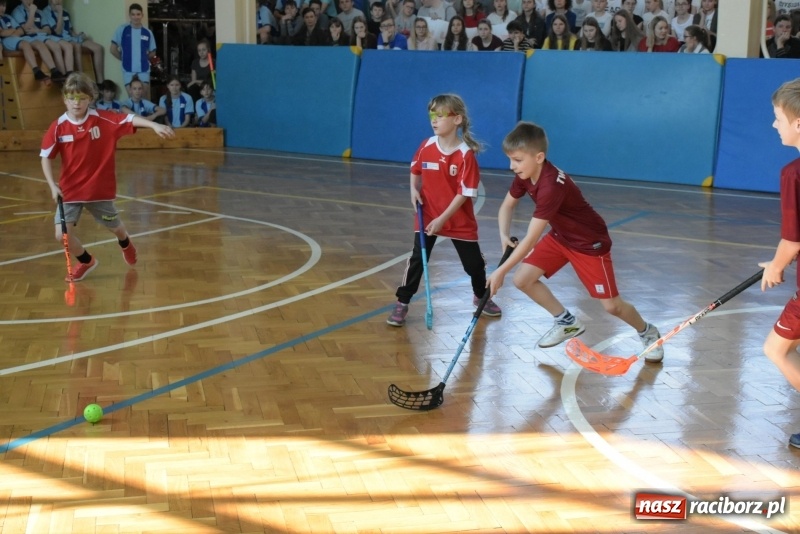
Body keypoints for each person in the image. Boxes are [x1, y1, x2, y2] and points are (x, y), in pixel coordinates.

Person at [486, 121, 663, 360]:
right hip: (561, 237)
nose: (511, 166)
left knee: (612, 306)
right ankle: (567, 322)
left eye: (517, 160)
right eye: (510, 159)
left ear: (538, 157)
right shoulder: (525, 175)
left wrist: (500, 272)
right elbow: (507, 206)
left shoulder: (550, 186)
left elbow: (529, 241)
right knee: (523, 279)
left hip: (589, 244)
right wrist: (504, 236)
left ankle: (648, 331)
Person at [41, 72, 175, 282]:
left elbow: (130, 118)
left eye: (82, 98)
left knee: (117, 229)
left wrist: (155, 125)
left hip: (99, 191)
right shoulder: (58, 126)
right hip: (70, 191)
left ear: (90, 99)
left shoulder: (103, 119)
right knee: (62, 235)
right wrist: (52, 185)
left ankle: (126, 243)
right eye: (72, 98)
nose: (76, 103)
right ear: (64, 99)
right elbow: (45, 157)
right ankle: (86, 261)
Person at [387, 94, 502, 327]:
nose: (434, 120)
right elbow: (415, 169)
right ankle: (402, 302)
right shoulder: (427, 145)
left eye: (440, 116)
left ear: (457, 119)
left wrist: (442, 219)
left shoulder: (465, 154)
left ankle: (481, 296)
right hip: (427, 213)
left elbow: (464, 194)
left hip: (457, 218)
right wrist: (413, 190)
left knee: (474, 266)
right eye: (432, 115)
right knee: (418, 259)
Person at [760, 77, 800, 448]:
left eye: (778, 118)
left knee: (775, 349)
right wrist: (779, 261)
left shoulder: (793, 173)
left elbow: (792, 238)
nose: (774, 125)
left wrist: (776, 266)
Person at [42, 0, 105, 82]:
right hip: (60, 39)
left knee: (98, 48)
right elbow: (57, 31)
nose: (58, 1)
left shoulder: (66, 12)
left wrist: (79, 35)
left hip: (71, 37)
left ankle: (100, 83)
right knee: (76, 46)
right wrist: (60, 13)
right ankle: (80, 78)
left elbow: (71, 31)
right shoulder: (46, 12)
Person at [0, 0, 58, 84]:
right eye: (0, 6)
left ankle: (38, 71)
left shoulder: (8, 17)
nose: (3, 8)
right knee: (24, 43)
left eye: (4, 6)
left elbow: (21, 30)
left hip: (15, 38)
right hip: (5, 40)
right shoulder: (17, 11)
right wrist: (12, 30)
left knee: (26, 43)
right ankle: (34, 72)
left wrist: (11, 32)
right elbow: (2, 33)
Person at [11, 0, 72, 79]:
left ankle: (64, 75)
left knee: (57, 46)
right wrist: (32, 12)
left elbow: (48, 30)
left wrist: (37, 30)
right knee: (45, 45)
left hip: (42, 35)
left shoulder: (39, 11)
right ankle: (56, 72)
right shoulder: (17, 11)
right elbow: (26, 30)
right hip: (28, 37)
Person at [111, 3, 156, 99]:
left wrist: (142, 58)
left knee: (143, 98)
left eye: (138, 14)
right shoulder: (122, 30)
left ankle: (143, 114)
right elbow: (113, 49)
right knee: (132, 98)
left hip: (143, 69)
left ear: (142, 15)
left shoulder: (148, 32)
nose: (136, 17)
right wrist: (124, 59)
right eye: (133, 14)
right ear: (130, 15)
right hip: (128, 69)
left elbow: (153, 52)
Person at [187, 39, 212, 104]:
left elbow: (210, 81)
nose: (201, 52)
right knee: (192, 88)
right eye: (199, 50)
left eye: (204, 50)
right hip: (198, 86)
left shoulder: (213, 62)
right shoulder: (195, 62)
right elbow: (193, 80)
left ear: (208, 50)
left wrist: (195, 81)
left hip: (209, 86)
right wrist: (195, 82)